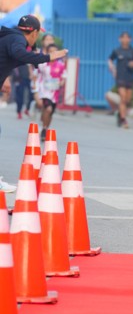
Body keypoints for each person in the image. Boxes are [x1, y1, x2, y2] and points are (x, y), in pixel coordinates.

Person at [0, 15, 68, 192]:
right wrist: (49, 57)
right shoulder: (17, 40)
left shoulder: (10, 37)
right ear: (34, 33)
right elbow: (19, 54)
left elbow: (14, 58)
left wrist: (6, 76)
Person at [108, 32, 133, 129]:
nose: (125, 40)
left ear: (130, 39)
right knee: (122, 97)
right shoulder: (117, 51)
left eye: (127, 38)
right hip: (120, 77)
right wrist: (112, 68)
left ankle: (119, 114)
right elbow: (110, 59)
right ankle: (123, 119)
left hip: (129, 77)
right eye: (123, 38)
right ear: (120, 39)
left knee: (127, 99)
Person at [36, 44, 67, 141]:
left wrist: (61, 82)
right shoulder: (43, 64)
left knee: (50, 113)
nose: (53, 53)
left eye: (55, 52)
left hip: (55, 93)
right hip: (45, 92)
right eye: (51, 51)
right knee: (48, 109)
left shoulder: (61, 65)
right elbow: (36, 74)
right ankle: (44, 129)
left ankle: (45, 127)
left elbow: (64, 77)